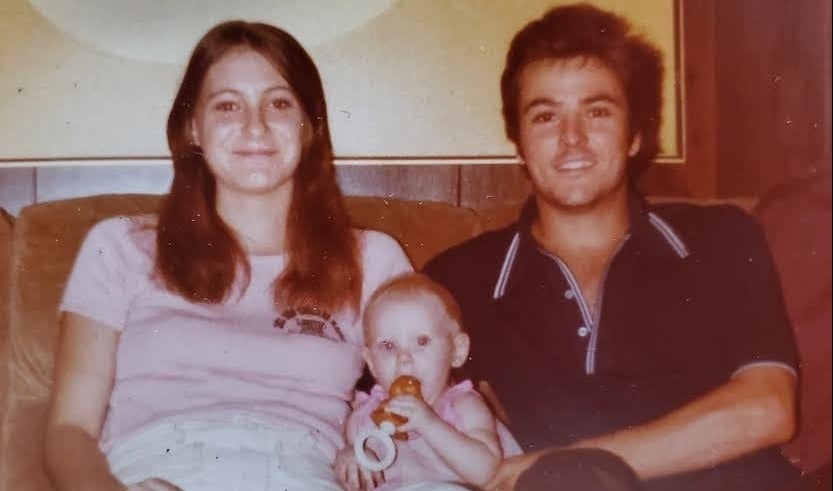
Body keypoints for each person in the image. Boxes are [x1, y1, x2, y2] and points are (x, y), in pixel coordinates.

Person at [424, 4, 801, 491]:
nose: (572, 138)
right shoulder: (459, 278)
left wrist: (569, 464)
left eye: (597, 111)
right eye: (545, 116)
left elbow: (768, 408)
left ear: (634, 135)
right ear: (518, 140)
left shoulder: (721, 238)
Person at [44, 20, 411, 491]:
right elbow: (68, 432)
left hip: (305, 474)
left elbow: (419, 407)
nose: (254, 126)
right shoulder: (119, 246)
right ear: (192, 127)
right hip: (154, 472)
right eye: (227, 105)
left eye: (278, 103)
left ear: (308, 126)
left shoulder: (374, 260)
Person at [334, 273, 520, 491]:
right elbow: (353, 463)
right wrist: (350, 458)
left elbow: (485, 472)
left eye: (422, 341)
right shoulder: (364, 417)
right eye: (388, 346)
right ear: (371, 362)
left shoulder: (463, 406)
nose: (404, 358)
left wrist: (430, 424)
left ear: (457, 351)